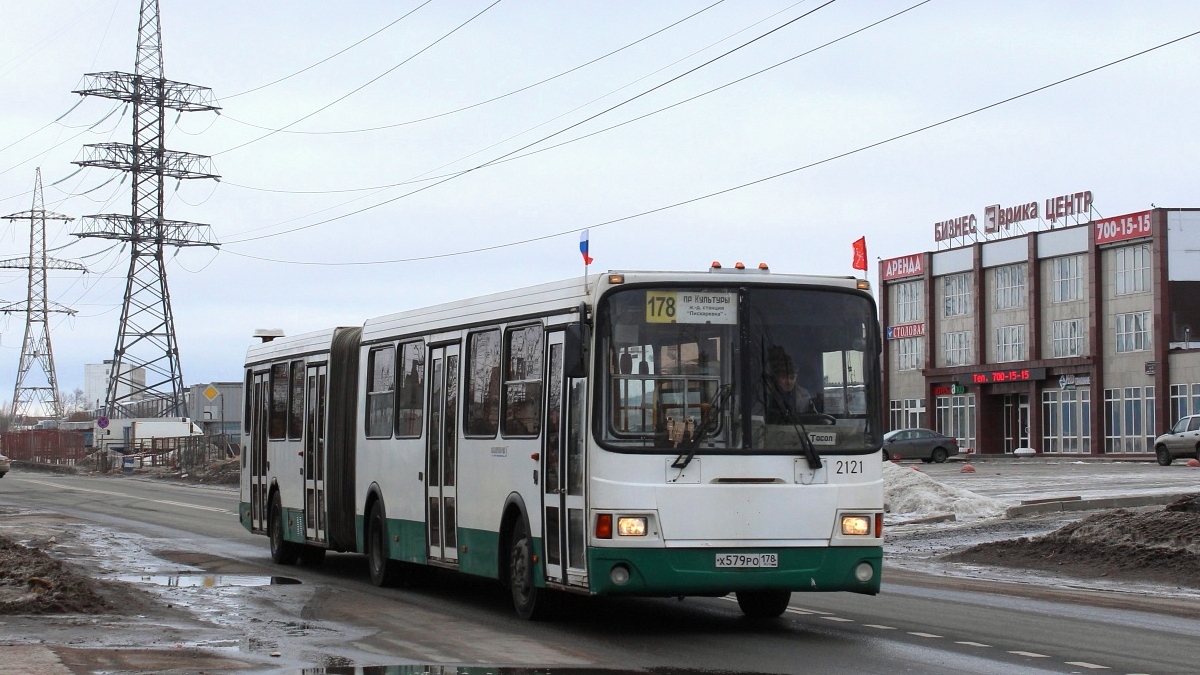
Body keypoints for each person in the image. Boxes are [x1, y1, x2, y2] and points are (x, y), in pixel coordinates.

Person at [765, 348, 814, 423]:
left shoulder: (804, 395)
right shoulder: (765, 395)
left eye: (792, 378)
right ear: (776, 377)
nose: (788, 382)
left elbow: (815, 420)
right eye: (784, 377)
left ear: (796, 378)